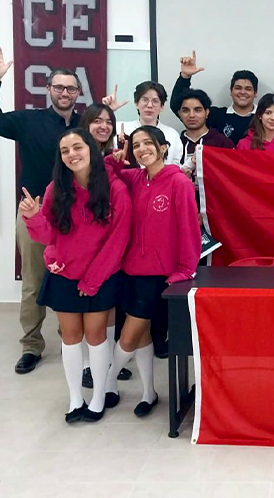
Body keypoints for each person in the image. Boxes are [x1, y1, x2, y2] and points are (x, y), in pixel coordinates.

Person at [0, 48, 83, 374]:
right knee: (34, 283)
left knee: (77, 280)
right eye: (59, 87)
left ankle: (73, 341)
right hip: (35, 213)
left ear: (78, 93)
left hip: (77, 217)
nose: (65, 93)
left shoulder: (87, 123)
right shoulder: (28, 120)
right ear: (49, 89)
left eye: (71, 88)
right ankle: (31, 346)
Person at [20, 128, 131, 422]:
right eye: (65, 151)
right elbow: (49, 236)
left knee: (96, 335)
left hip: (100, 277)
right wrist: (33, 217)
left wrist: (93, 280)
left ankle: (97, 398)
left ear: (91, 150)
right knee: (71, 338)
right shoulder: (56, 189)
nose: (72, 154)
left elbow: (118, 240)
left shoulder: (114, 188)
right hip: (64, 276)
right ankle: (75, 398)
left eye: (78, 147)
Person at [104, 126, 201, 416]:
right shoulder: (134, 178)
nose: (142, 149)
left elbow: (189, 229)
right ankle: (149, 393)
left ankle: (106, 383)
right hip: (130, 269)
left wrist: (186, 268)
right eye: (136, 145)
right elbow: (106, 170)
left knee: (130, 335)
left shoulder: (178, 182)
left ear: (163, 148)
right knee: (142, 334)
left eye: (148, 143)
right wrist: (116, 156)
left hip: (158, 273)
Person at [79, 103, 134, 387]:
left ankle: (108, 359)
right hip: (85, 244)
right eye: (97, 121)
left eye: (108, 121)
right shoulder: (78, 154)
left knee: (108, 306)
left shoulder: (112, 156)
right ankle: (88, 365)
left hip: (111, 242)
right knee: (86, 309)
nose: (103, 126)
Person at [171, 51, 257, 145]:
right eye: (238, 88)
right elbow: (177, 105)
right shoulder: (215, 115)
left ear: (255, 93)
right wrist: (185, 77)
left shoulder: (265, 118)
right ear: (231, 91)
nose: (242, 92)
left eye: (248, 89)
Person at [176, 89, 234, 180]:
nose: (191, 115)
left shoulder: (223, 143)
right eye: (185, 110)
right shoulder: (174, 144)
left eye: (197, 110)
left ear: (206, 113)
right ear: (179, 114)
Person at [127, 81, 182, 168]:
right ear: (136, 104)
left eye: (155, 101)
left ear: (162, 107)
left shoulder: (172, 134)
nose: (149, 105)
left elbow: (176, 165)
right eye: (144, 100)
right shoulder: (121, 129)